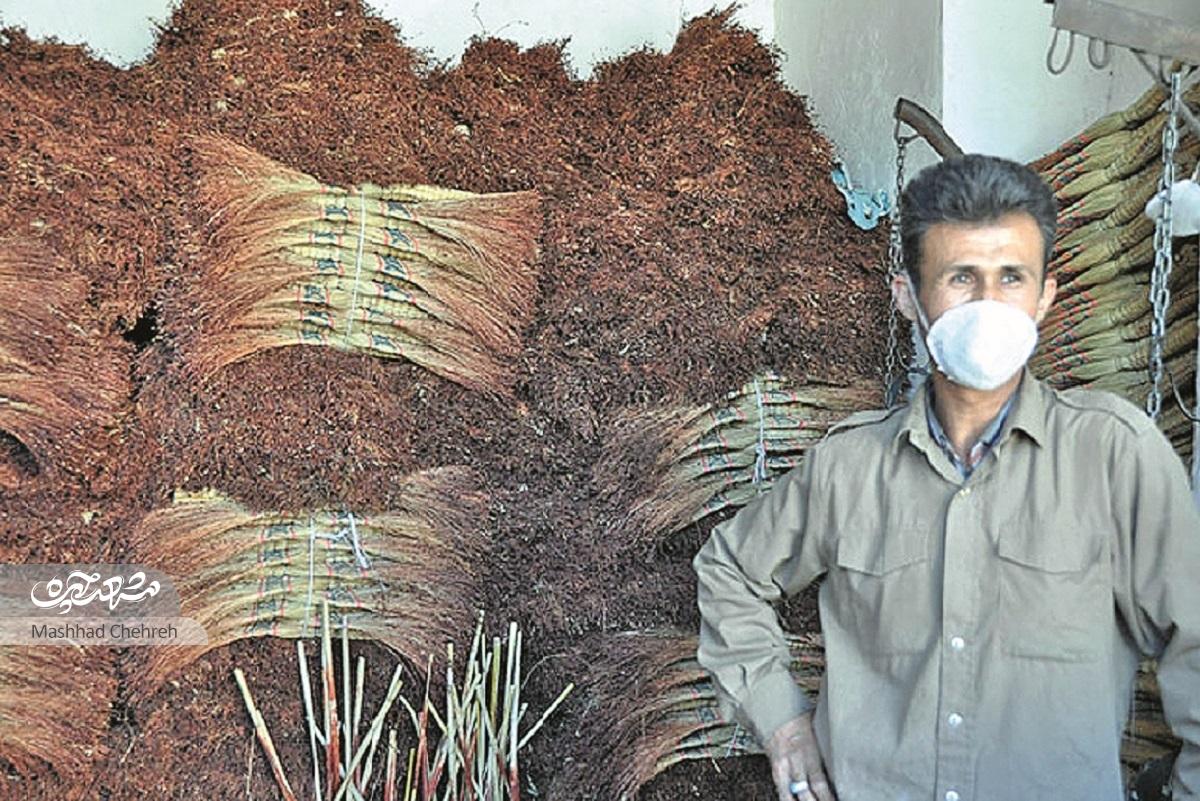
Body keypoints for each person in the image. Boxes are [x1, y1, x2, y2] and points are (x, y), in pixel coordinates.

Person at [693, 154, 1200, 801]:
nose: (989, 305)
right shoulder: (850, 467)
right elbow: (729, 572)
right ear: (908, 295)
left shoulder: (1112, 456)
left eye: (1011, 277)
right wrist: (782, 722)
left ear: (1044, 297)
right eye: (961, 277)